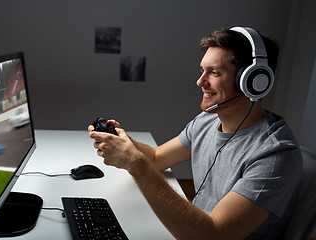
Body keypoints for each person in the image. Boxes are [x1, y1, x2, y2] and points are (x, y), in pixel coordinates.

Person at [88, 27, 302, 239]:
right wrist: (120, 139)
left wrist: (136, 165)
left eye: (214, 72)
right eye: (203, 70)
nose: (200, 81)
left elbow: (213, 235)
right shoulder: (208, 120)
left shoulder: (275, 154)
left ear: (253, 81)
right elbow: (156, 158)